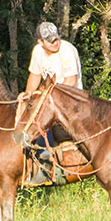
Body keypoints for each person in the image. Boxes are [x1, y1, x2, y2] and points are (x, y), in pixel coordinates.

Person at [19, 21, 83, 184]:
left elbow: (70, 80)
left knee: (42, 116)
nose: (55, 43)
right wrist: (28, 95)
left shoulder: (66, 50)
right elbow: (34, 76)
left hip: (70, 99)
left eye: (56, 39)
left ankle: (45, 166)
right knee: (27, 113)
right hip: (50, 99)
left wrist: (47, 97)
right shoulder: (37, 52)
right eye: (50, 40)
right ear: (40, 42)